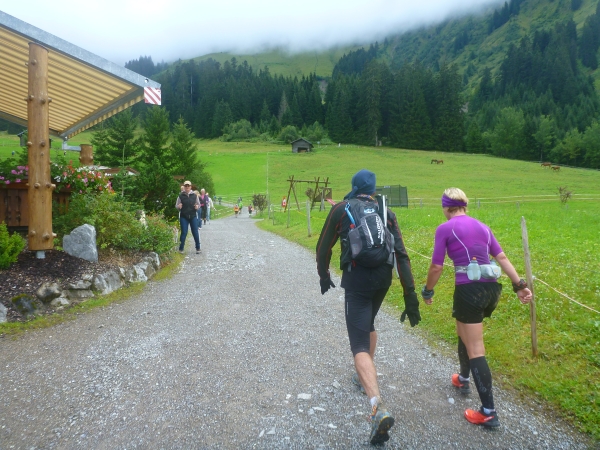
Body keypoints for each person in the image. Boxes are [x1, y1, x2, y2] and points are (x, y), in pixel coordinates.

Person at [316, 169, 421, 445]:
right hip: (383, 279)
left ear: (354, 186)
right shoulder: (386, 211)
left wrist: (324, 275)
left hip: (357, 280)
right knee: (369, 321)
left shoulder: (342, 209)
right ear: (373, 189)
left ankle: (377, 407)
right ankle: (362, 376)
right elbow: (401, 254)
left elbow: (323, 247)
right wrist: (410, 294)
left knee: (359, 345)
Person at [422, 187, 532, 429]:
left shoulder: (445, 228)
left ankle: (489, 412)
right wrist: (520, 286)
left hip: (469, 290)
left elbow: (436, 267)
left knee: (475, 348)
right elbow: (502, 258)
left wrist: (428, 290)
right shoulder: (483, 227)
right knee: (463, 331)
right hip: (491, 290)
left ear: (446, 206)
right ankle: (463, 378)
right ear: (464, 205)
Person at [175, 181, 201, 254]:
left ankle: (198, 248)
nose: (187, 187)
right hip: (184, 216)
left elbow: (198, 205)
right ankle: (181, 249)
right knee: (184, 232)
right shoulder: (180, 196)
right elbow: (176, 205)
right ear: (184, 187)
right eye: (186, 186)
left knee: (195, 232)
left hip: (193, 216)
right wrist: (178, 206)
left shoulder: (194, 196)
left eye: (188, 186)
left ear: (190, 187)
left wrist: (197, 207)